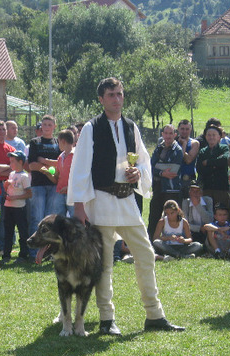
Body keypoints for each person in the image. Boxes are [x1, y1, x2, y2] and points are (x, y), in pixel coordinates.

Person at [67, 77, 184, 335]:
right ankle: (107, 320)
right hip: (101, 202)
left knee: (145, 255)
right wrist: (79, 207)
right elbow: (81, 167)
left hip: (128, 202)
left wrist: (138, 174)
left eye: (119, 94)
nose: (117, 99)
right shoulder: (91, 128)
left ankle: (154, 315)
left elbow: (143, 160)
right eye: (111, 95)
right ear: (101, 99)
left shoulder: (131, 127)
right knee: (106, 264)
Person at [27, 114, 60, 253]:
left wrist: (44, 162)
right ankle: (34, 251)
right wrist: (48, 171)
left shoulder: (58, 142)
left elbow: (60, 163)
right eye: (44, 124)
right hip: (38, 185)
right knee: (37, 217)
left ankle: (47, 251)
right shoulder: (35, 142)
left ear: (54, 126)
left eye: (49, 124)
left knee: (50, 220)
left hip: (54, 185)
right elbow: (32, 165)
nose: (46, 127)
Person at [148, 124, 183, 237]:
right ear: (162, 134)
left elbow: (173, 170)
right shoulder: (158, 148)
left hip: (171, 189)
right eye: (166, 133)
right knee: (154, 216)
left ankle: (173, 242)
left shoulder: (177, 150)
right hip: (158, 188)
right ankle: (152, 242)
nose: (168, 136)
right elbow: (151, 166)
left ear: (175, 135)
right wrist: (162, 172)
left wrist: (158, 168)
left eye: (170, 133)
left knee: (172, 218)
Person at [2, 151, 32, 263]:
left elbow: (29, 194)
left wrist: (15, 198)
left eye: (13, 161)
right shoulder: (11, 174)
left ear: (20, 162)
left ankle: (23, 254)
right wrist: (5, 187)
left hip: (19, 207)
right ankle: (6, 254)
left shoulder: (24, 176)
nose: (10, 163)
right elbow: (9, 190)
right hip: (8, 206)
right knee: (8, 231)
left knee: (22, 231)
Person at [197, 124, 230, 212]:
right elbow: (200, 169)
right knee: (208, 214)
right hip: (207, 189)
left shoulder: (224, 148)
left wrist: (208, 162)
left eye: (214, 135)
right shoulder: (203, 151)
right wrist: (216, 165)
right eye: (209, 135)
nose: (211, 137)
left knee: (223, 215)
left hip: (221, 189)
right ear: (205, 137)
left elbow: (224, 160)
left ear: (219, 137)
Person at [54, 129, 75, 217]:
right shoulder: (60, 157)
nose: (58, 145)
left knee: (75, 219)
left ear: (63, 141)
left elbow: (81, 175)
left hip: (73, 193)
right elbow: (58, 175)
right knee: (59, 219)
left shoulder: (76, 155)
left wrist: (70, 187)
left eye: (58, 142)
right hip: (60, 192)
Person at [176, 119, 200, 192]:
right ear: (178, 129)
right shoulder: (173, 142)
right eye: (182, 129)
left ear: (191, 129)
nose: (184, 131)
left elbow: (188, 160)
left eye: (187, 129)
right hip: (175, 178)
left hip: (188, 179)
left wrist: (184, 145)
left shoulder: (194, 143)